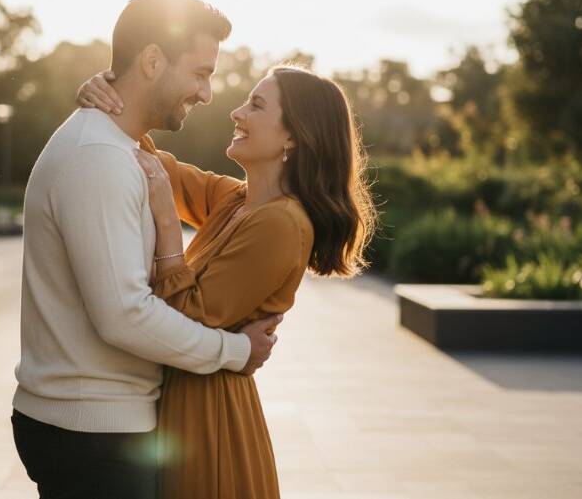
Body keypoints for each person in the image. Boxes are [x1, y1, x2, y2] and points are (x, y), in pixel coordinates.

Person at [12, 0, 282, 499]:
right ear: (154, 61)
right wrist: (236, 350)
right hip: (90, 435)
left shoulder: (118, 148)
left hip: (96, 428)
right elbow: (124, 315)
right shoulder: (99, 157)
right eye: (200, 73)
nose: (207, 93)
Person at [76, 62, 376, 498]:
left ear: (293, 136)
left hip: (209, 420)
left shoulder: (282, 224)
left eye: (256, 105)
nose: (236, 112)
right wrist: (109, 94)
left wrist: (167, 222)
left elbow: (186, 315)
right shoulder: (238, 200)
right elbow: (156, 166)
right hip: (185, 401)